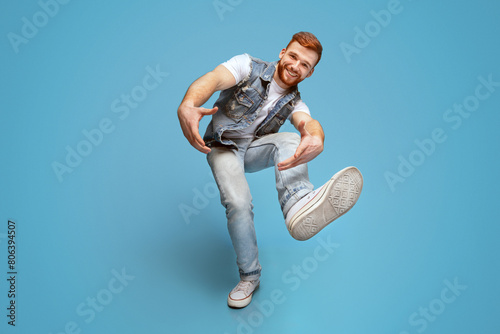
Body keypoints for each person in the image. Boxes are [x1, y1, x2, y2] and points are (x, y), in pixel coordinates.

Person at [177, 32, 363, 309]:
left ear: (310, 73)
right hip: (224, 146)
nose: (296, 66)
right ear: (282, 53)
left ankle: (298, 203)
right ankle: (250, 277)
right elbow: (214, 78)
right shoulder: (247, 66)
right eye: (293, 57)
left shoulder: (295, 102)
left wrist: (316, 136)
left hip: (253, 149)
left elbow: (307, 122)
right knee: (239, 204)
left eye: (305, 65)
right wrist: (189, 104)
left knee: (292, 138)